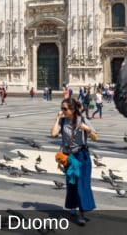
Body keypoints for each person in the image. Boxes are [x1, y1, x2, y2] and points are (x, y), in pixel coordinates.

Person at [51, 97, 97, 226]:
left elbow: (95, 137)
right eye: (62, 109)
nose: (62, 111)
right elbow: (54, 134)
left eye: (65, 109)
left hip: (82, 157)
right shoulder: (63, 121)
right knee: (71, 183)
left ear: (72, 109)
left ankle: (82, 214)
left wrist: (87, 129)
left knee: (81, 185)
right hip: (68, 157)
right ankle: (73, 206)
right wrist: (58, 118)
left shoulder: (83, 120)